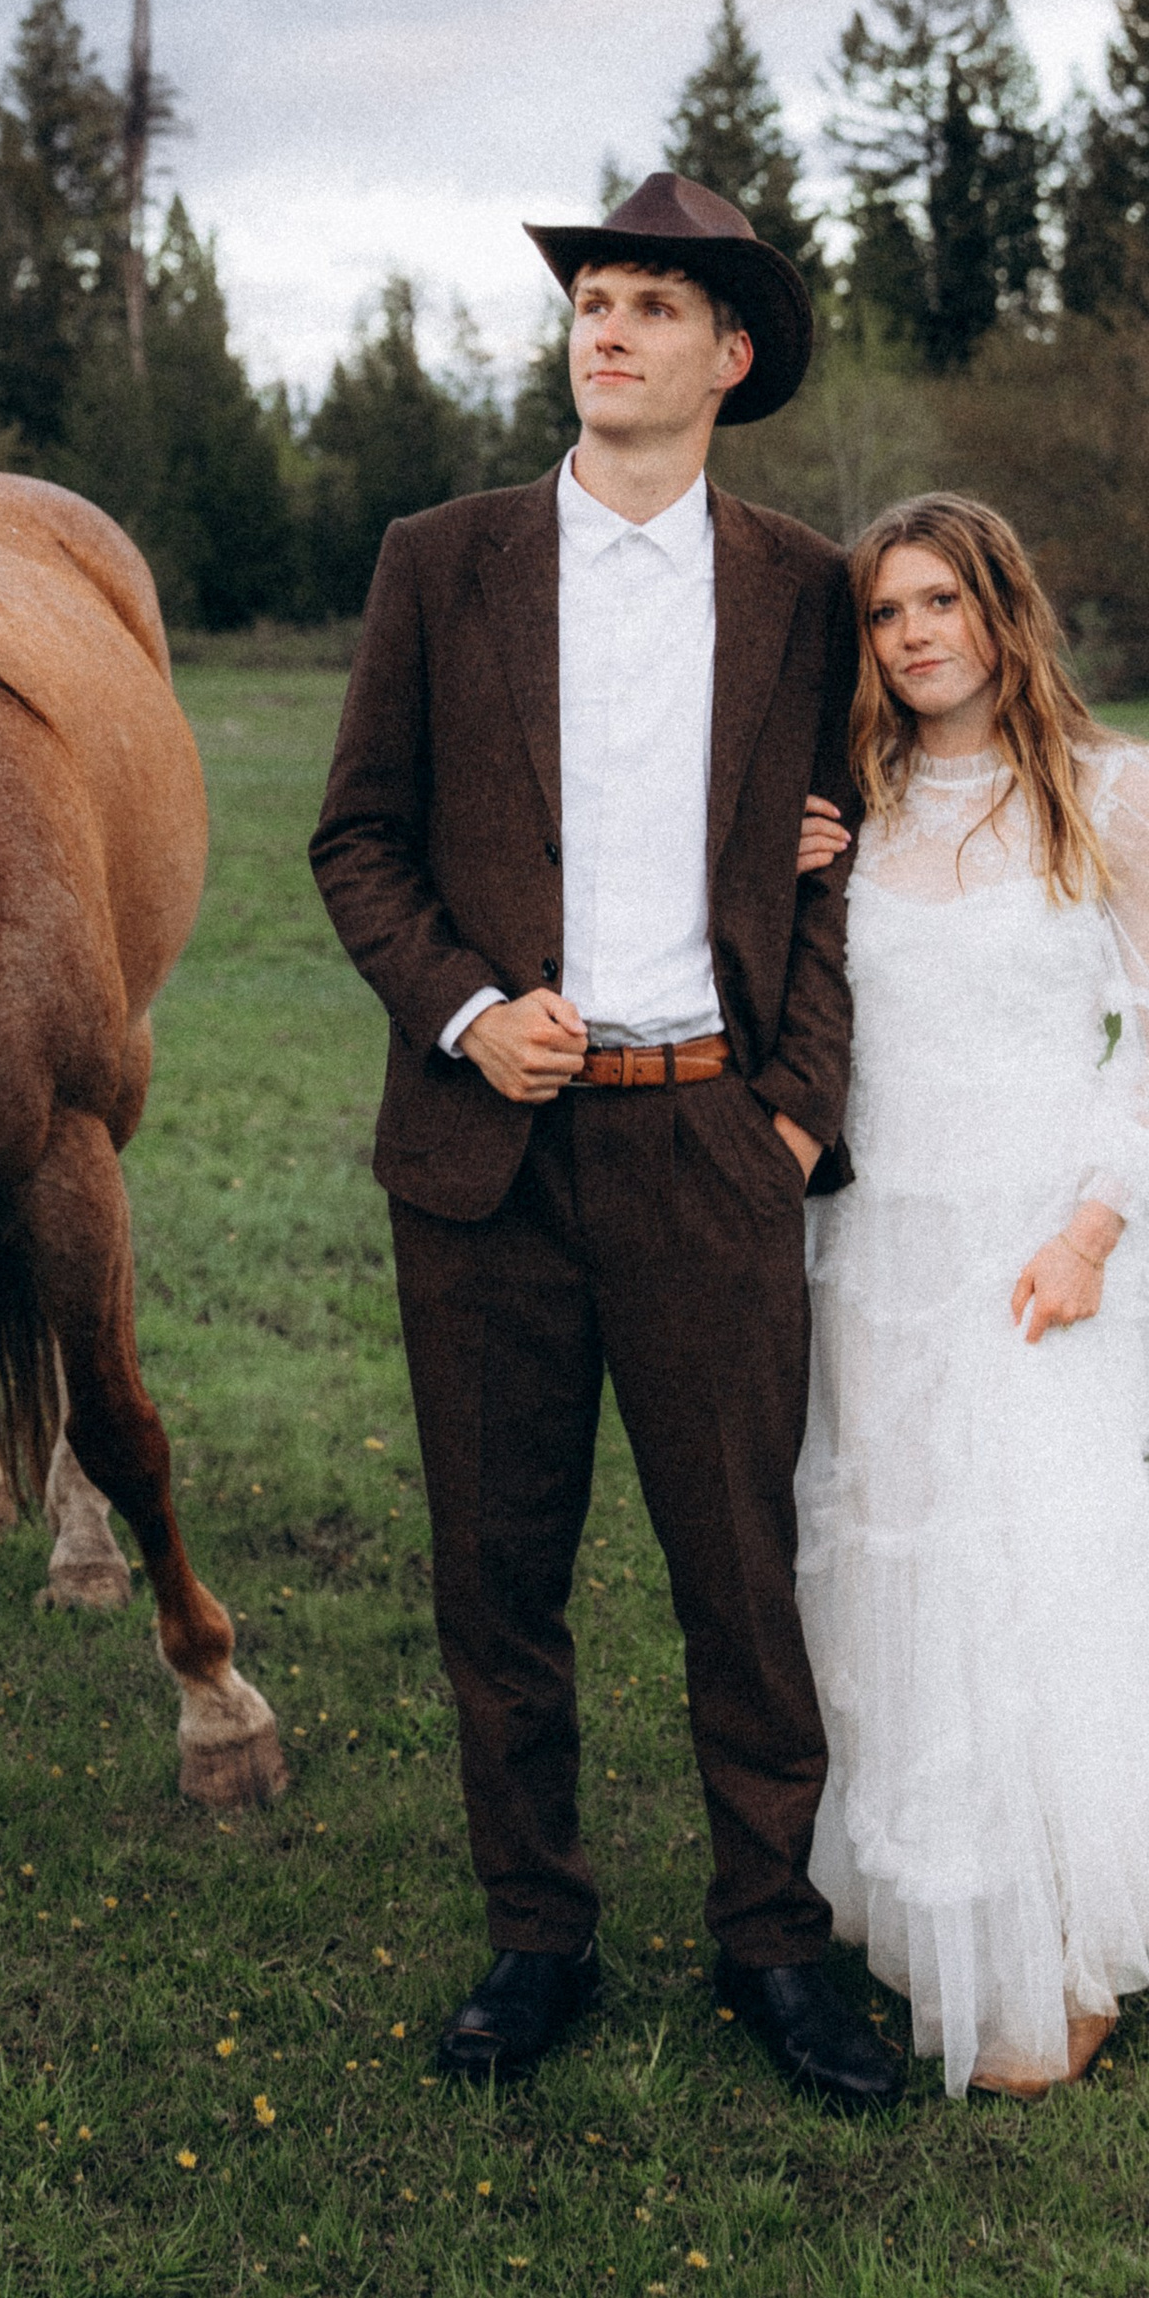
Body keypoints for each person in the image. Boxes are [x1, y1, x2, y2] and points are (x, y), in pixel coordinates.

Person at [309, 173, 897, 2110]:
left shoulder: (807, 591)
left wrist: (792, 1110)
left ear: (729, 358)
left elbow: (839, 868)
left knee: (741, 1570)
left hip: (710, 1148)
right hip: (487, 1166)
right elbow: (355, 842)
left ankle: (769, 1943)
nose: (607, 329)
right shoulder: (439, 561)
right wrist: (472, 1014)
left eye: (652, 306)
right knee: (497, 1569)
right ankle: (534, 1933)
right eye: (591, 301)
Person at [788, 494, 1149, 2099]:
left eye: (939, 603)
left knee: (1028, 1576)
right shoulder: (854, 807)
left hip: (1038, 1253)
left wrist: (1096, 1231)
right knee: (892, 1576)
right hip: (877, 1251)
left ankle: (1056, 1949)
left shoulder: (1113, 794)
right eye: (885, 613)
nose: (912, 636)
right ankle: (926, 1909)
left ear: (1001, 610)